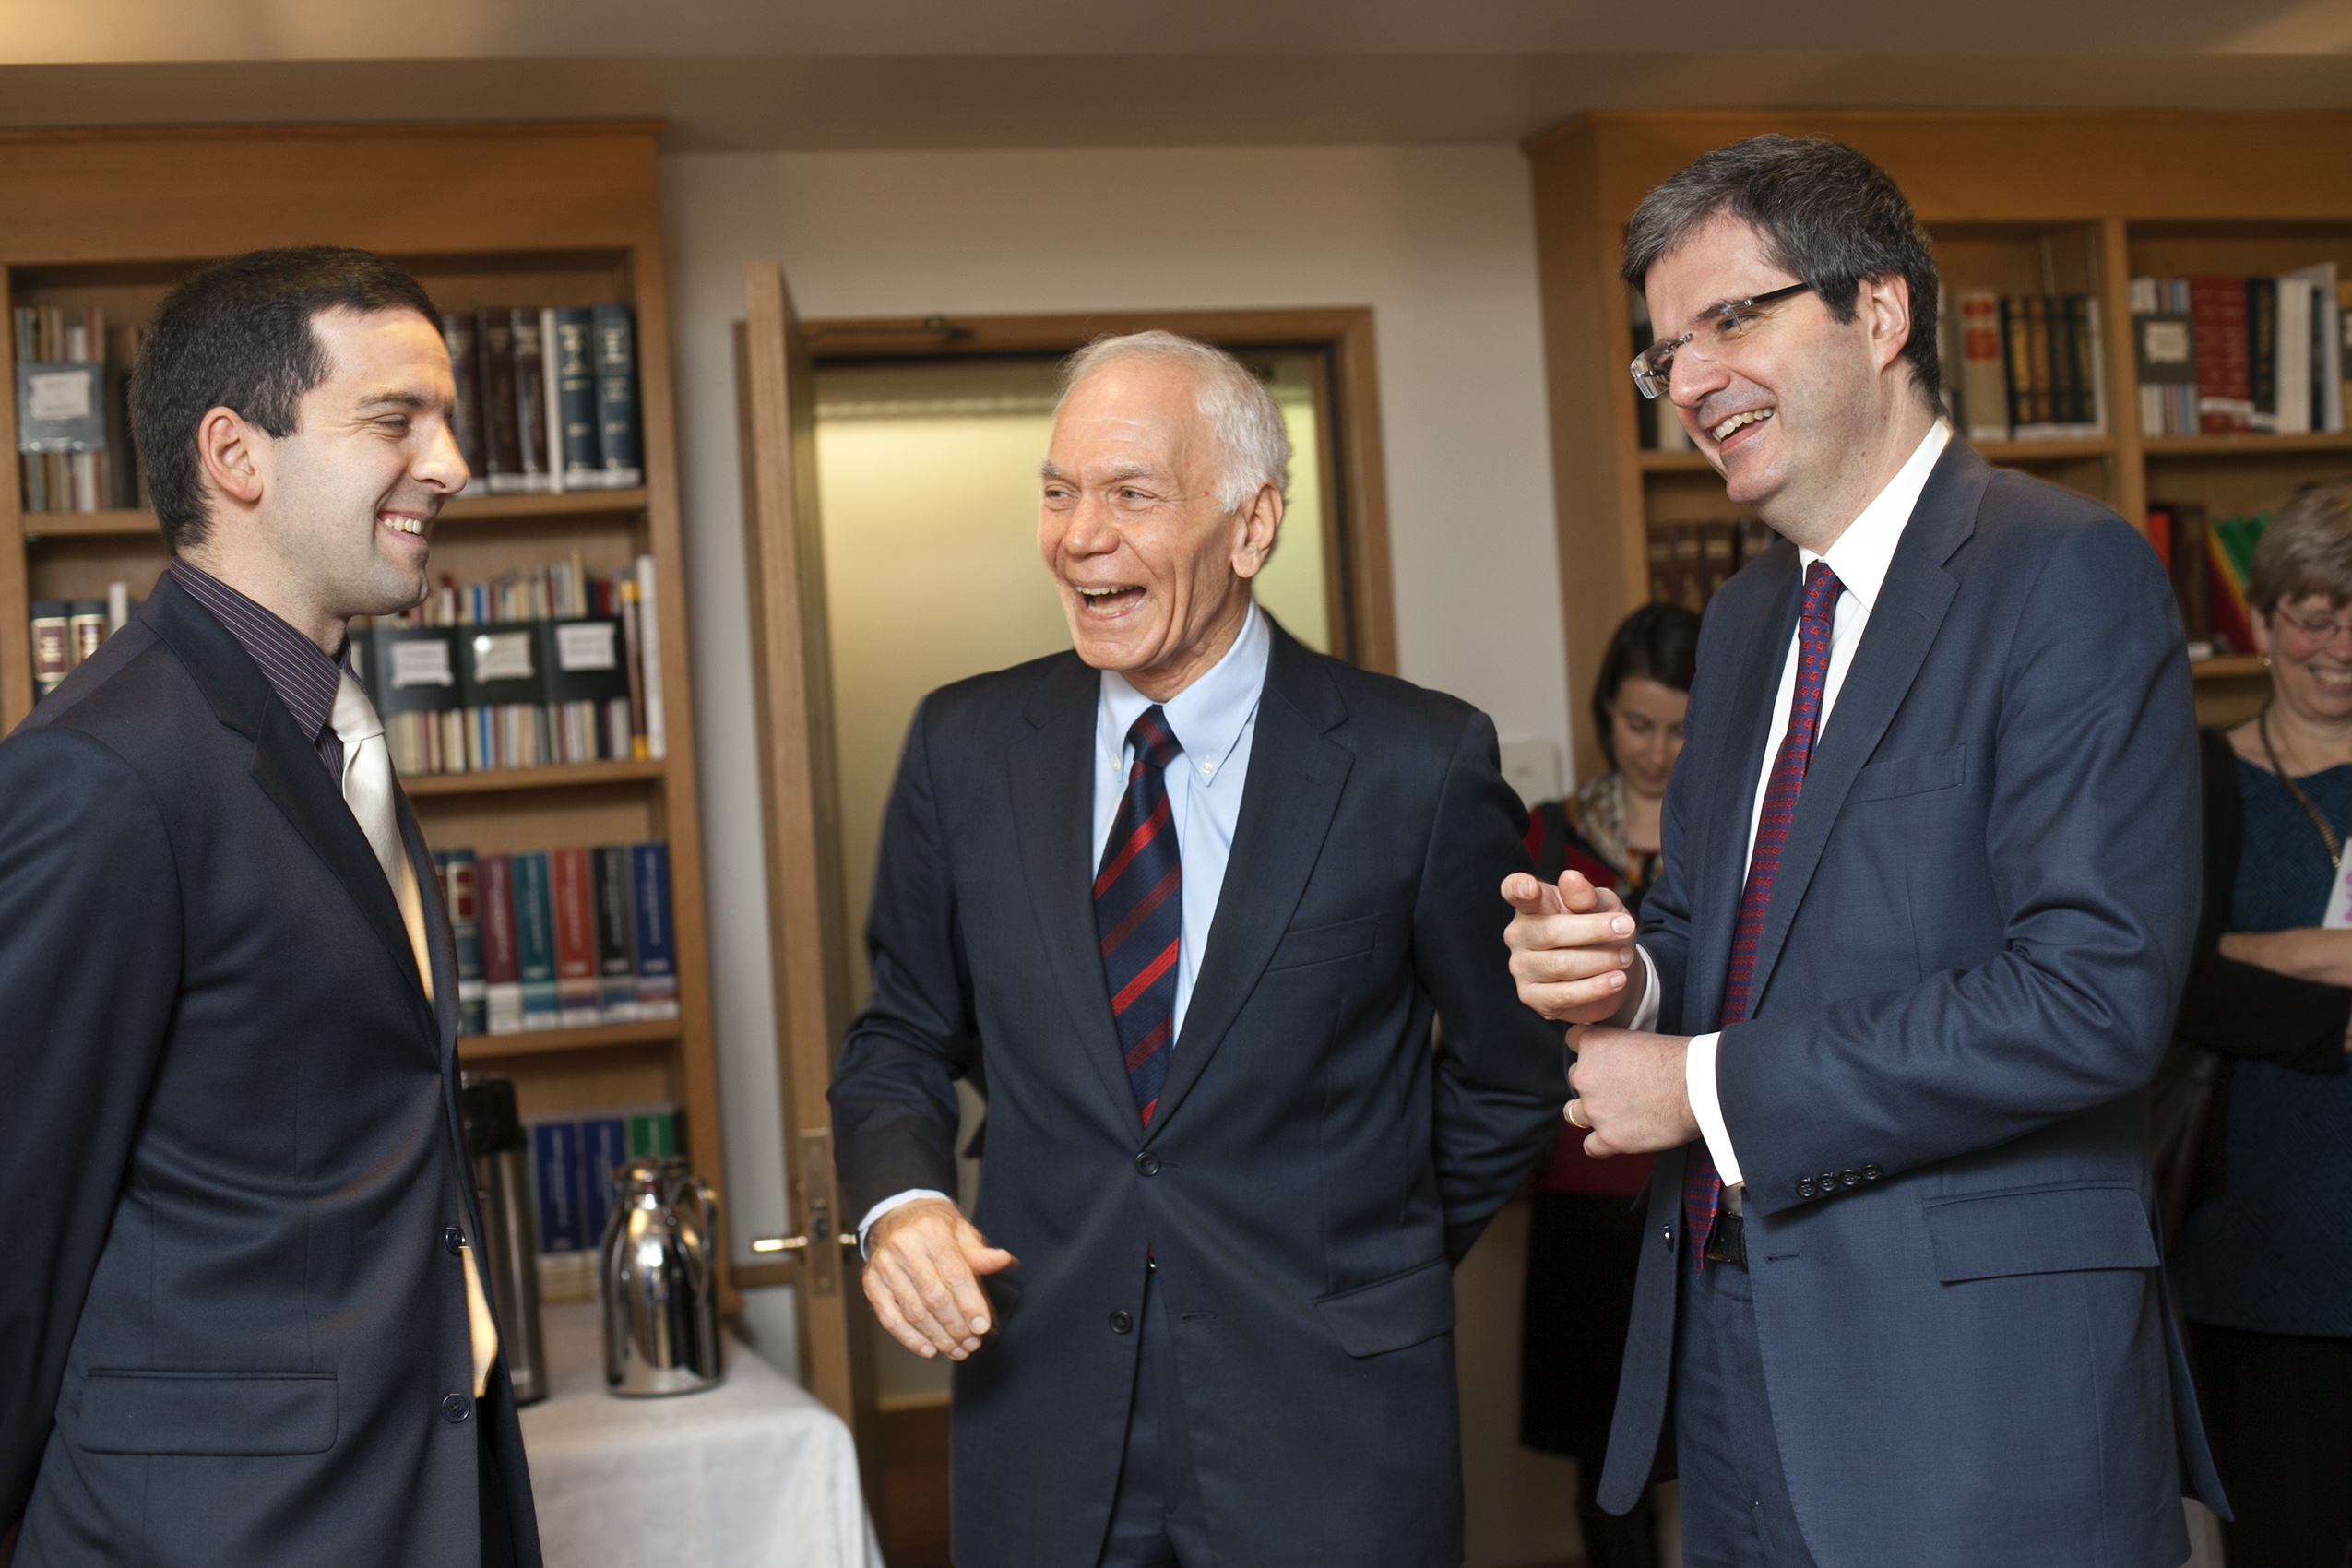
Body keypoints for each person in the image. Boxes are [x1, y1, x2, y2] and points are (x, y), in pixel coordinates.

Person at [1501, 137, 2225, 1568]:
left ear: (1878, 314)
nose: (1690, 382)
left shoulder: (2063, 575)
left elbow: (2093, 998)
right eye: (1664, 354)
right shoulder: (1741, 623)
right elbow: (1715, 930)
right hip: (1727, 1348)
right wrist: (1622, 977)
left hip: (1968, 1379)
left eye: (1730, 320)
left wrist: (1695, 1082)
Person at [830, 329, 1565, 1568]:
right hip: (1042, 1421)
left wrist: (1360, 1236)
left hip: (1331, 1434)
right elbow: (903, 1029)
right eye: (1057, 493)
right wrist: (898, 1205)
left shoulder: (1415, 764)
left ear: (1251, 524)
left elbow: (1511, 1068)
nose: (1076, 536)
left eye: (1129, 494)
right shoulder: (964, 750)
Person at [0, 249, 540, 1566]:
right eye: (394, 419)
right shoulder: (101, 773)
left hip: (412, 1488)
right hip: (219, 1531)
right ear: (237, 457)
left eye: (449, 420)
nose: (453, 463)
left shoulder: (332, 726)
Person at [2169, 482, 2352, 1568]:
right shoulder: (2202, 778)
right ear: (2268, 616)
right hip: (2258, 1261)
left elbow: (2217, 959)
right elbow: (2176, 982)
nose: (2339, 644)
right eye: (2316, 613)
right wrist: (2331, 1021)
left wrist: (2263, 947)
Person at [1518, 601, 1698, 1568]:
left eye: (1679, 727)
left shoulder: (1740, 836)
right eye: (1638, 724)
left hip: (1713, 1175)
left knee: (1714, 1435)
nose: (1658, 751)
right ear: (1604, 715)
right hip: (1585, 1185)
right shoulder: (1549, 836)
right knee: (1604, 1455)